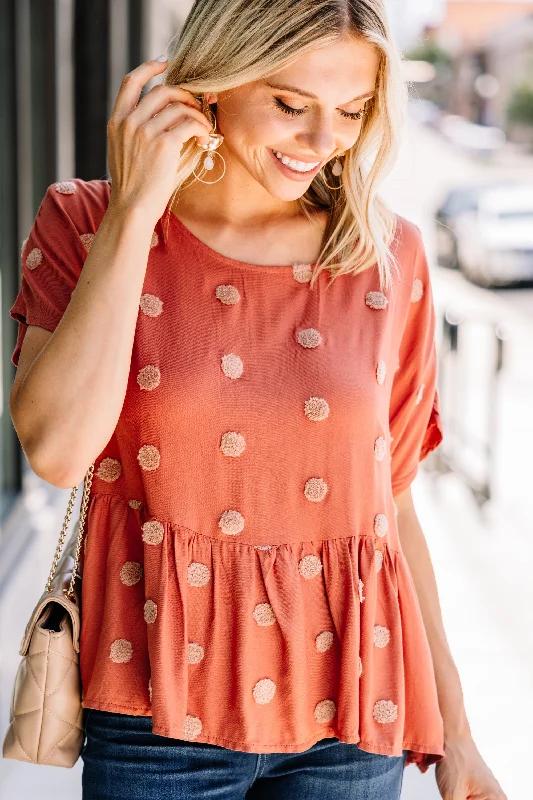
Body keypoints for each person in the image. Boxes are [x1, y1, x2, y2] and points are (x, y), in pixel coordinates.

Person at [8, 1, 507, 799]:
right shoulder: (85, 221)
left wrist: (456, 729)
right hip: (154, 714)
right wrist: (139, 209)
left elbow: (395, 511)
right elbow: (58, 452)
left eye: (350, 112)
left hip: (352, 711)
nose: (322, 142)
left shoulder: (386, 255)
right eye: (289, 104)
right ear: (211, 83)